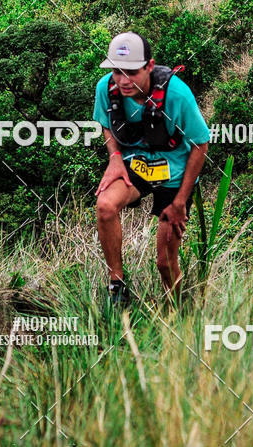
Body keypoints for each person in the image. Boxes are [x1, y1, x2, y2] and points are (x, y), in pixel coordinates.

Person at [93, 31, 209, 307]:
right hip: (136, 163)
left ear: (149, 66)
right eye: (117, 71)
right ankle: (117, 284)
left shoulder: (177, 95)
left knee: (165, 263)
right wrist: (115, 158)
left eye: (131, 72)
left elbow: (200, 144)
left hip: (175, 172)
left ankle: (178, 313)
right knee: (105, 206)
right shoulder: (106, 89)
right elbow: (106, 124)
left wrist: (180, 201)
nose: (123, 80)